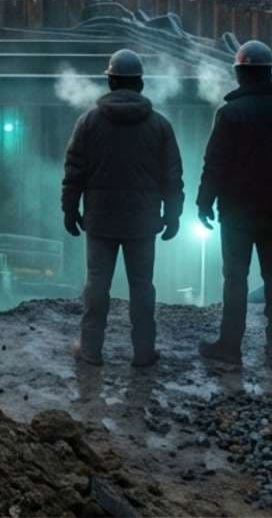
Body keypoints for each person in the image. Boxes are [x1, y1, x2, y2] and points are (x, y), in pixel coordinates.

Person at [62, 48, 184, 367]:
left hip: (100, 221)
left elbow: (74, 171)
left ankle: (91, 350)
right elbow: (172, 177)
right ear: (140, 84)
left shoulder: (88, 122)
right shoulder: (159, 126)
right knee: (142, 287)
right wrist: (172, 216)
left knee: (97, 286)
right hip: (142, 223)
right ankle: (143, 352)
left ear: (111, 82)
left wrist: (69, 208)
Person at [197, 40, 272, 367]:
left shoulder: (230, 115)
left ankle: (230, 347)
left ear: (240, 74)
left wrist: (204, 203)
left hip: (236, 213)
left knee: (236, 277)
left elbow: (215, 164)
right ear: (268, 73)